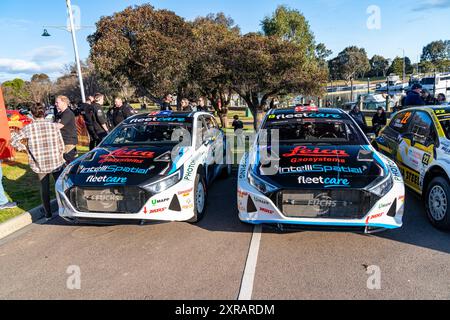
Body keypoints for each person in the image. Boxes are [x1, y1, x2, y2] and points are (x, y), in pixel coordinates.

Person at [10, 103, 65, 219]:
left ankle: (48, 214)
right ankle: (64, 209)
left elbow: (13, 139)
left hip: (39, 162)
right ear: (44, 113)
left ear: (32, 114)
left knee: (44, 188)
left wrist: (23, 148)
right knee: (59, 186)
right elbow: (61, 144)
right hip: (56, 161)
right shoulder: (53, 126)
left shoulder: (28, 128)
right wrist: (60, 155)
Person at [55, 96, 78, 164]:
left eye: (57, 102)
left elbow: (59, 126)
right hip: (62, 141)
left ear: (64, 103)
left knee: (71, 163)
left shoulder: (68, 113)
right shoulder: (59, 114)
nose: (55, 104)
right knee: (64, 162)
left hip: (68, 142)